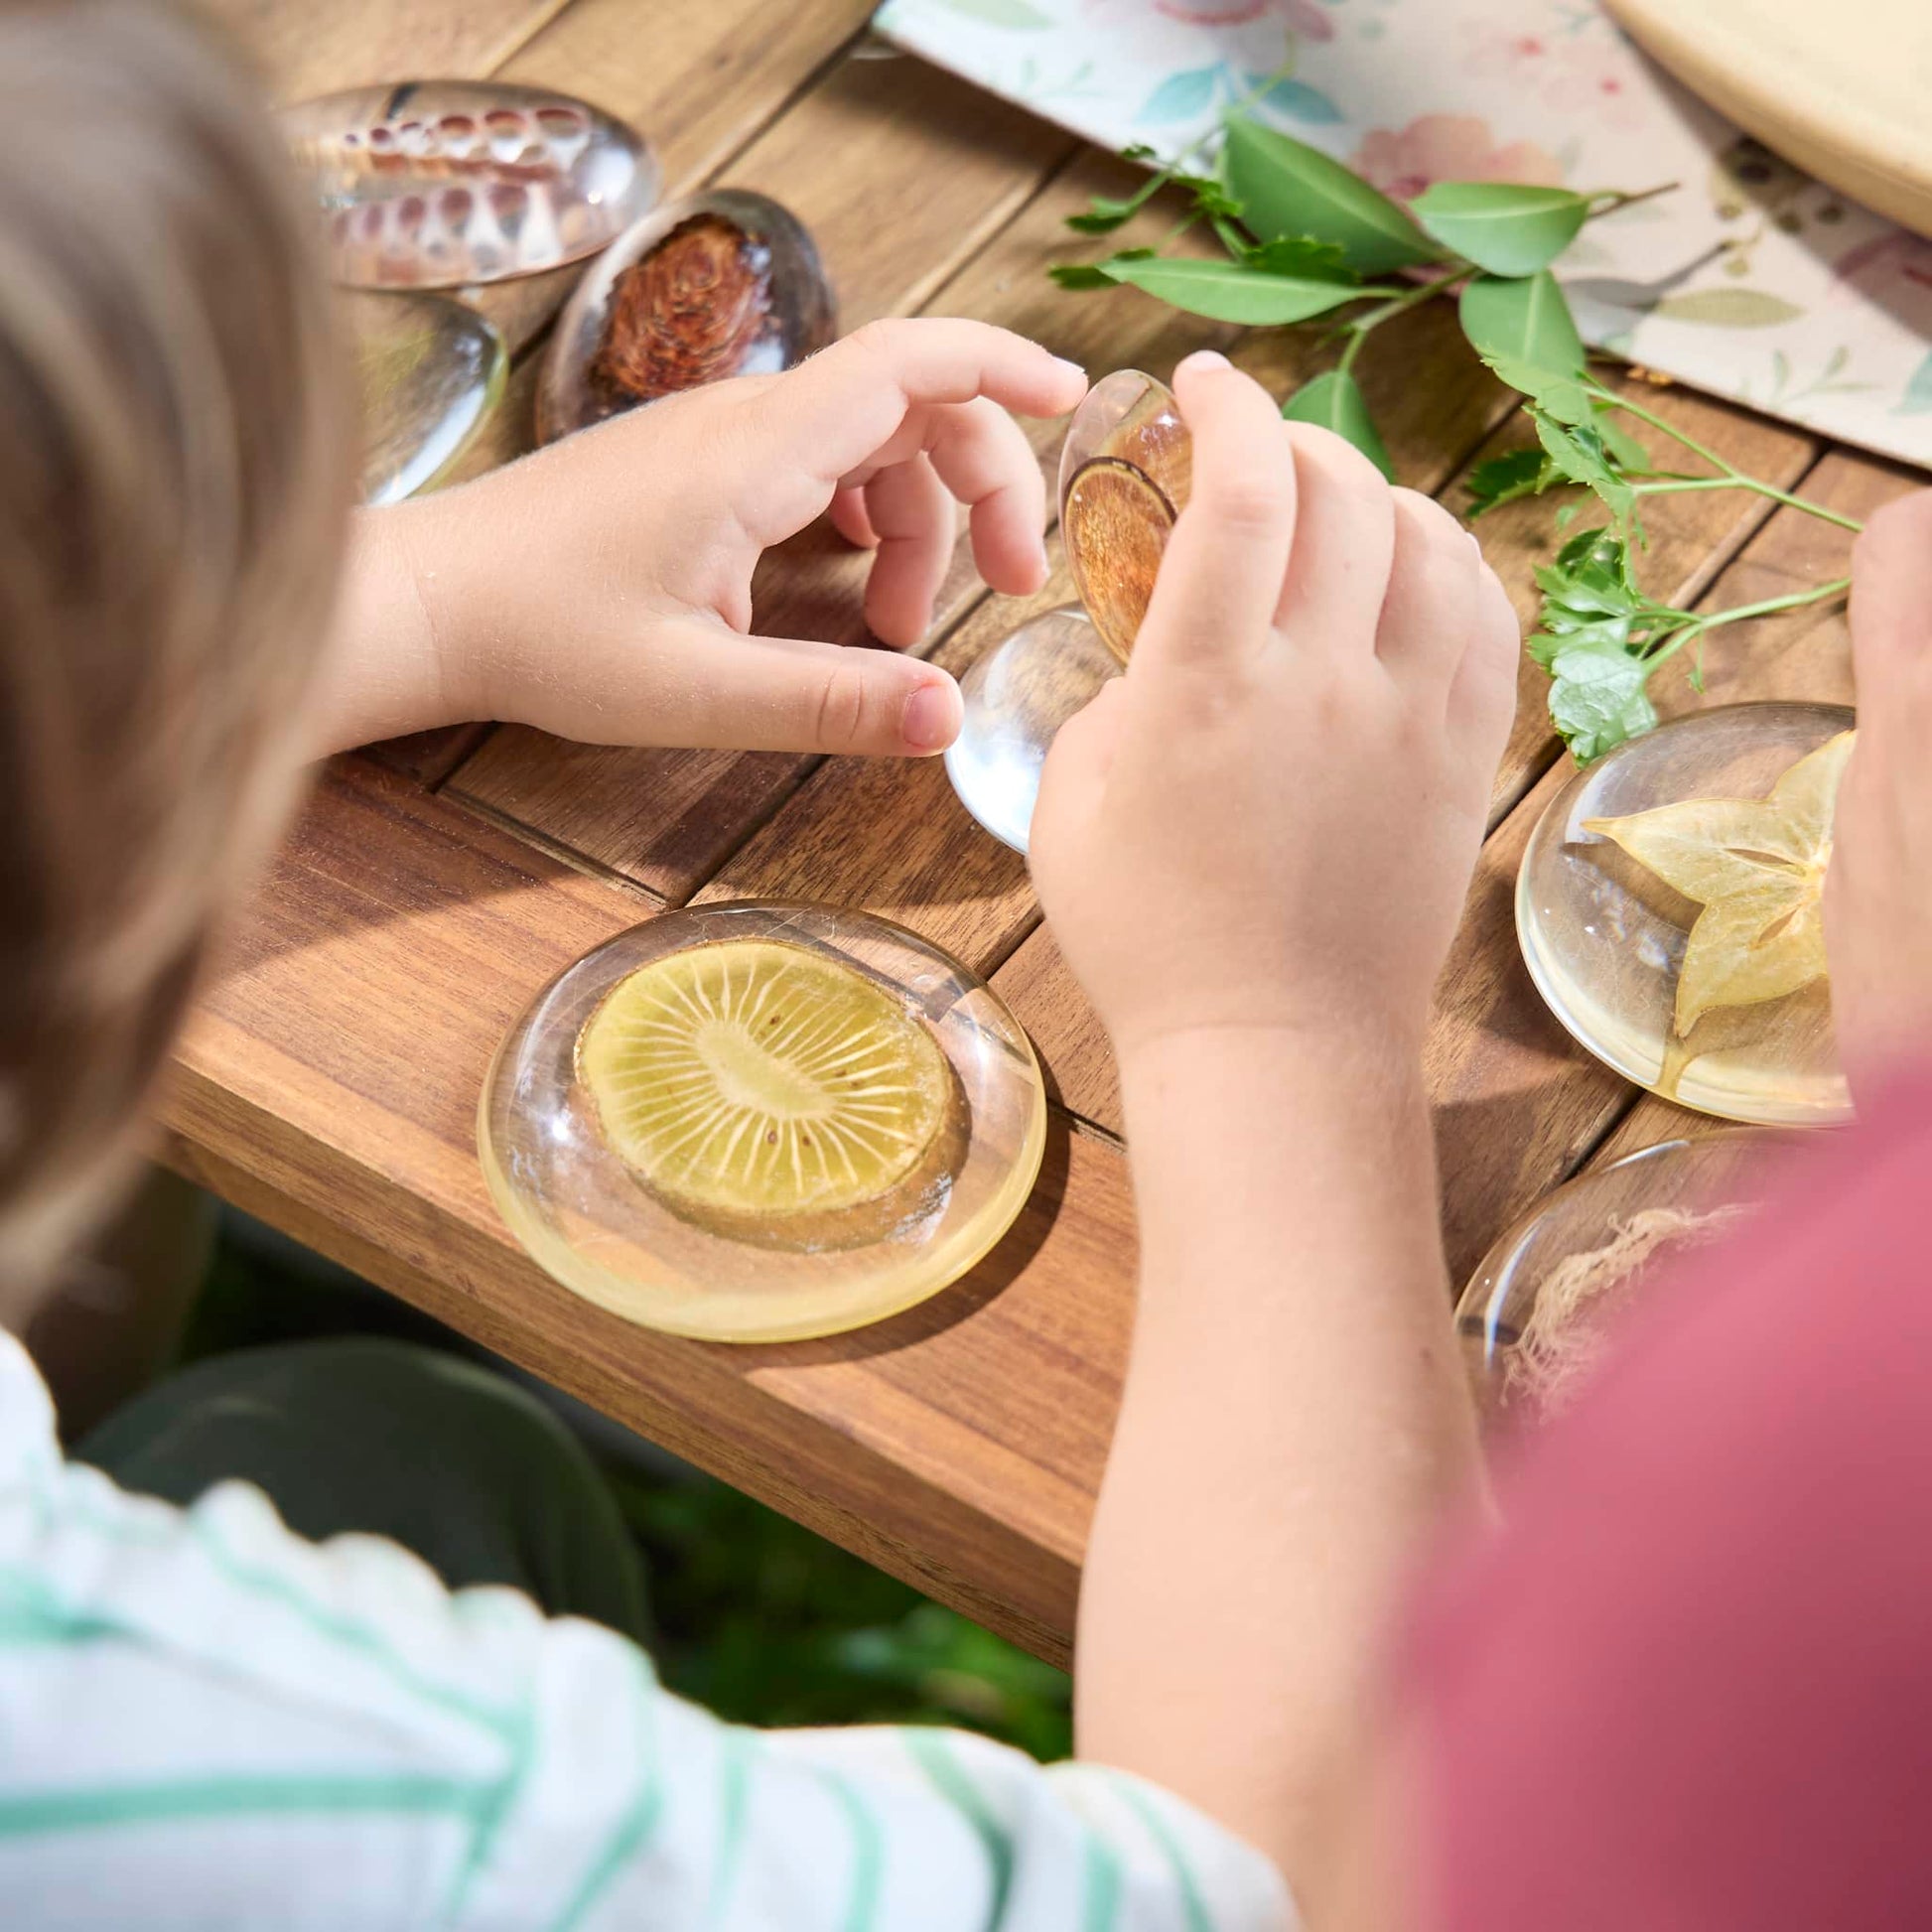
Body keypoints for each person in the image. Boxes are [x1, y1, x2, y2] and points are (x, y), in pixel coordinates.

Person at [7, 5, 1932, 1932]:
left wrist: (411, 599)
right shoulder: (455, 1820)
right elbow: (1285, 1884)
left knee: (409, 1442)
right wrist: (1271, 1025)